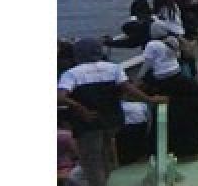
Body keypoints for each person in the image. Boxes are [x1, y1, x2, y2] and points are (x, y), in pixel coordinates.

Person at [58, 38, 166, 186]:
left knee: (92, 161)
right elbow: (129, 89)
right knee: (106, 157)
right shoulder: (113, 68)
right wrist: (150, 99)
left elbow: (60, 97)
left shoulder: (71, 74)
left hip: (88, 125)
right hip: (112, 121)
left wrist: (80, 108)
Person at [140, 27, 198, 159]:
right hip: (195, 145)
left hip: (171, 149)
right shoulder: (191, 88)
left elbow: (146, 66)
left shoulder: (160, 95)